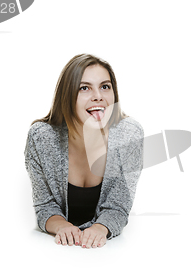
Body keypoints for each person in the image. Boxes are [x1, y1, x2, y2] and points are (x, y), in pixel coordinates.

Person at [24, 54, 143, 248]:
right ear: (67, 95)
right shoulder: (42, 137)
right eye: (84, 88)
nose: (98, 96)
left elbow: (118, 206)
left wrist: (100, 228)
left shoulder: (129, 135)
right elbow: (45, 206)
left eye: (105, 86)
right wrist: (62, 226)